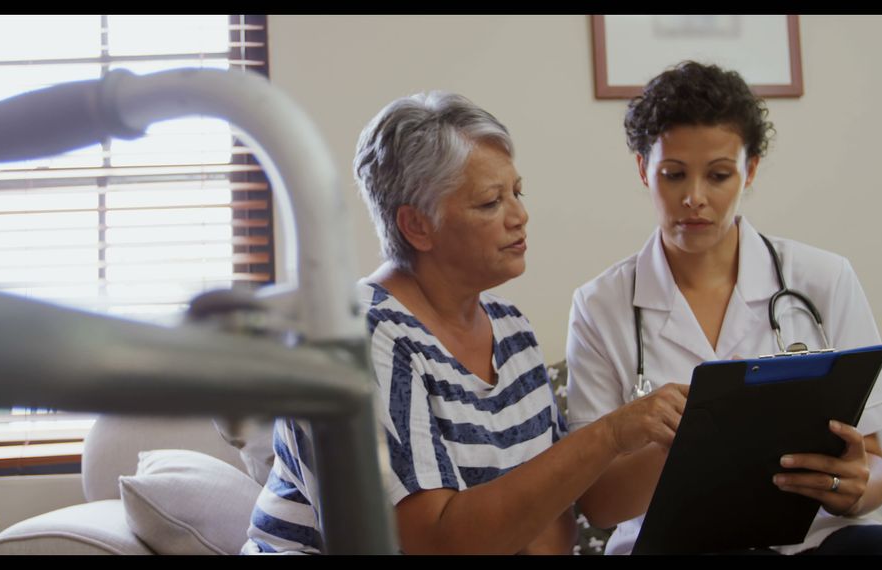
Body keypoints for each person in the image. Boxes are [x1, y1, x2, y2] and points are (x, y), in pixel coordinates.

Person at [242, 91, 688, 554]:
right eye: (491, 202)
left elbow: (555, 519)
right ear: (417, 226)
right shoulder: (355, 339)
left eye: (517, 192)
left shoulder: (511, 330)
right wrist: (612, 433)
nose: (520, 216)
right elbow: (430, 544)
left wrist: (683, 438)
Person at [565, 60, 882, 555]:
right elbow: (600, 507)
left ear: (750, 169)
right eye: (673, 174)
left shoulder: (823, 279)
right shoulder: (599, 306)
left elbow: (875, 468)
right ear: (642, 169)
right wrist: (685, 441)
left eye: (718, 175)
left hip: (813, 545)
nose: (695, 198)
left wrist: (850, 490)